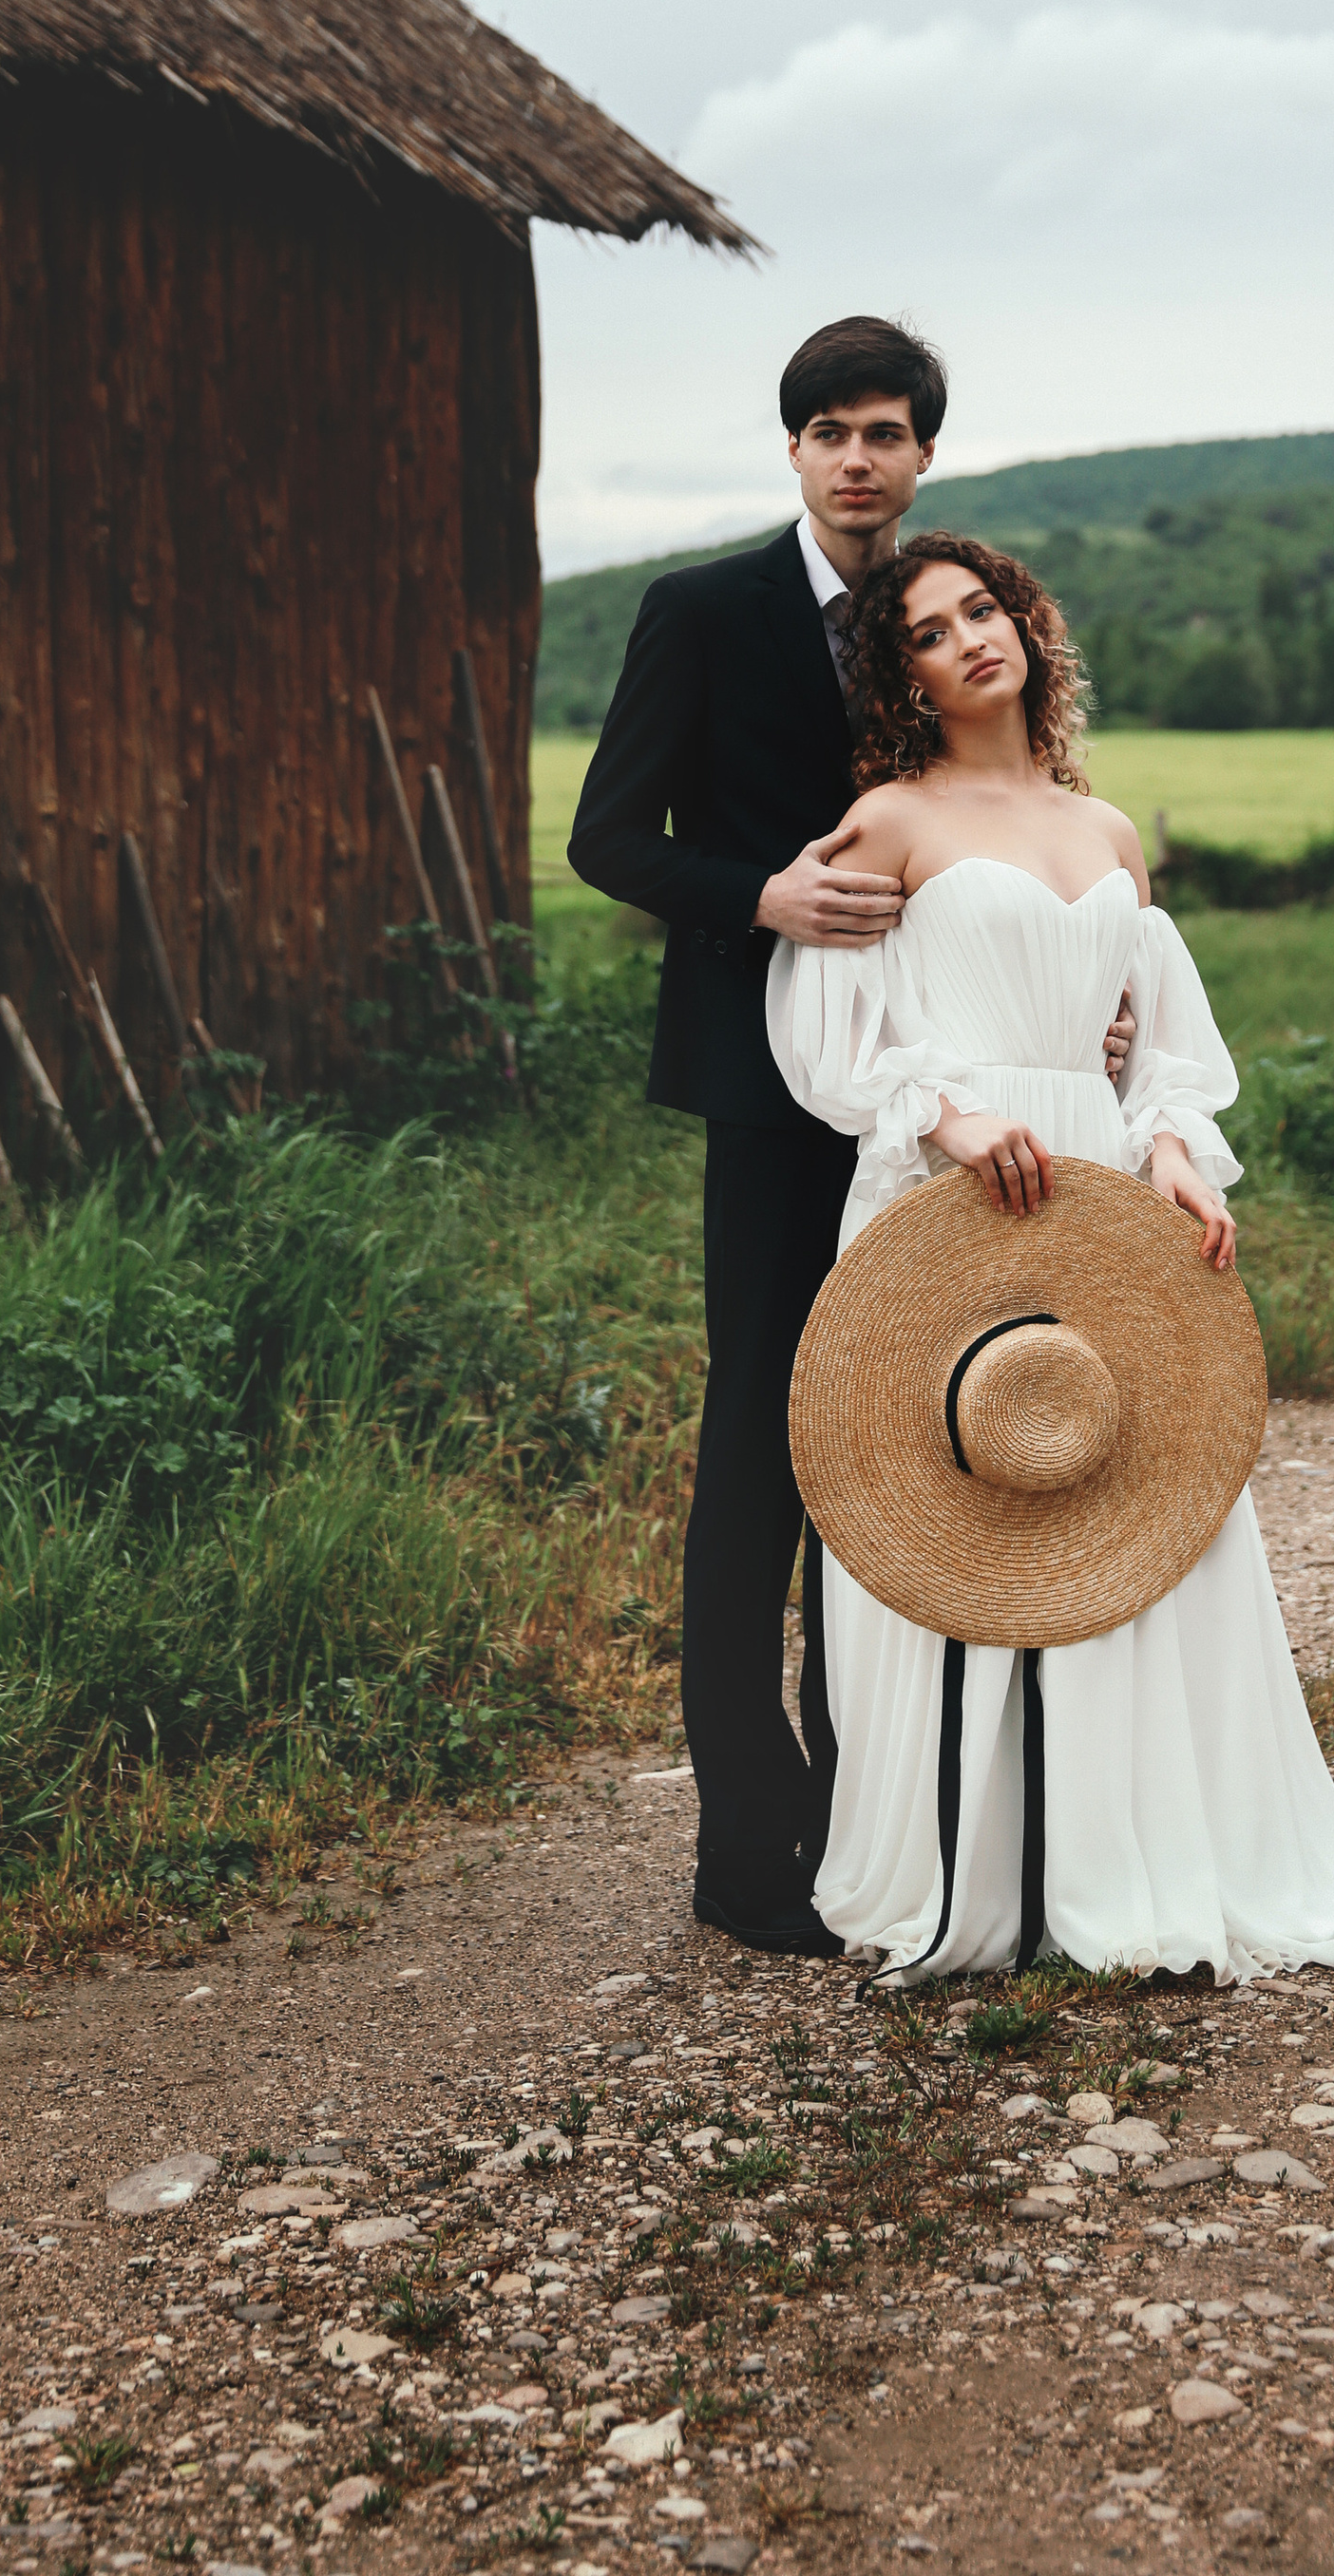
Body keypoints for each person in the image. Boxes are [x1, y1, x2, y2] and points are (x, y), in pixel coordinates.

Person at [769, 530, 1334, 1982]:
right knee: (966, 1486)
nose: (967, 638)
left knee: (1127, 1483)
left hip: (1094, 1177)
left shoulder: (1108, 832)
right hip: (951, 1183)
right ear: (898, 674)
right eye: (925, 630)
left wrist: (1169, 1149)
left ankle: (1143, 1850)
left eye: (983, 610)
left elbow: (1160, 1041)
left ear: (1026, 626)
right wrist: (951, 1118)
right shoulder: (884, 819)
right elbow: (829, 1028)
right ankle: (974, 1873)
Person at [567, 317, 948, 1954]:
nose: (856, 457)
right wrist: (764, 897)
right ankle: (746, 1848)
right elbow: (605, 838)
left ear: (924, 451)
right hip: (766, 1090)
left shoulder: (951, 616)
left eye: (884, 430)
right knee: (758, 1454)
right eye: (827, 432)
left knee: (899, 1441)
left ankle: (881, 1821)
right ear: (791, 452)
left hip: (933, 1092)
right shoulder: (702, 611)